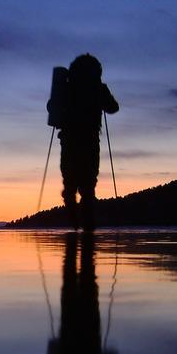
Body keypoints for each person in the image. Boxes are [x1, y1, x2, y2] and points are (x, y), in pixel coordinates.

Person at [50, 53, 118, 231]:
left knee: (70, 184)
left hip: (69, 141)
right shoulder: (98, 87)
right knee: (88, 185)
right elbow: (113, 107)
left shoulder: (66, 87)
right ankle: (88, 228)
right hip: (89, 141)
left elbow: (51, 106)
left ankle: (74, 225)